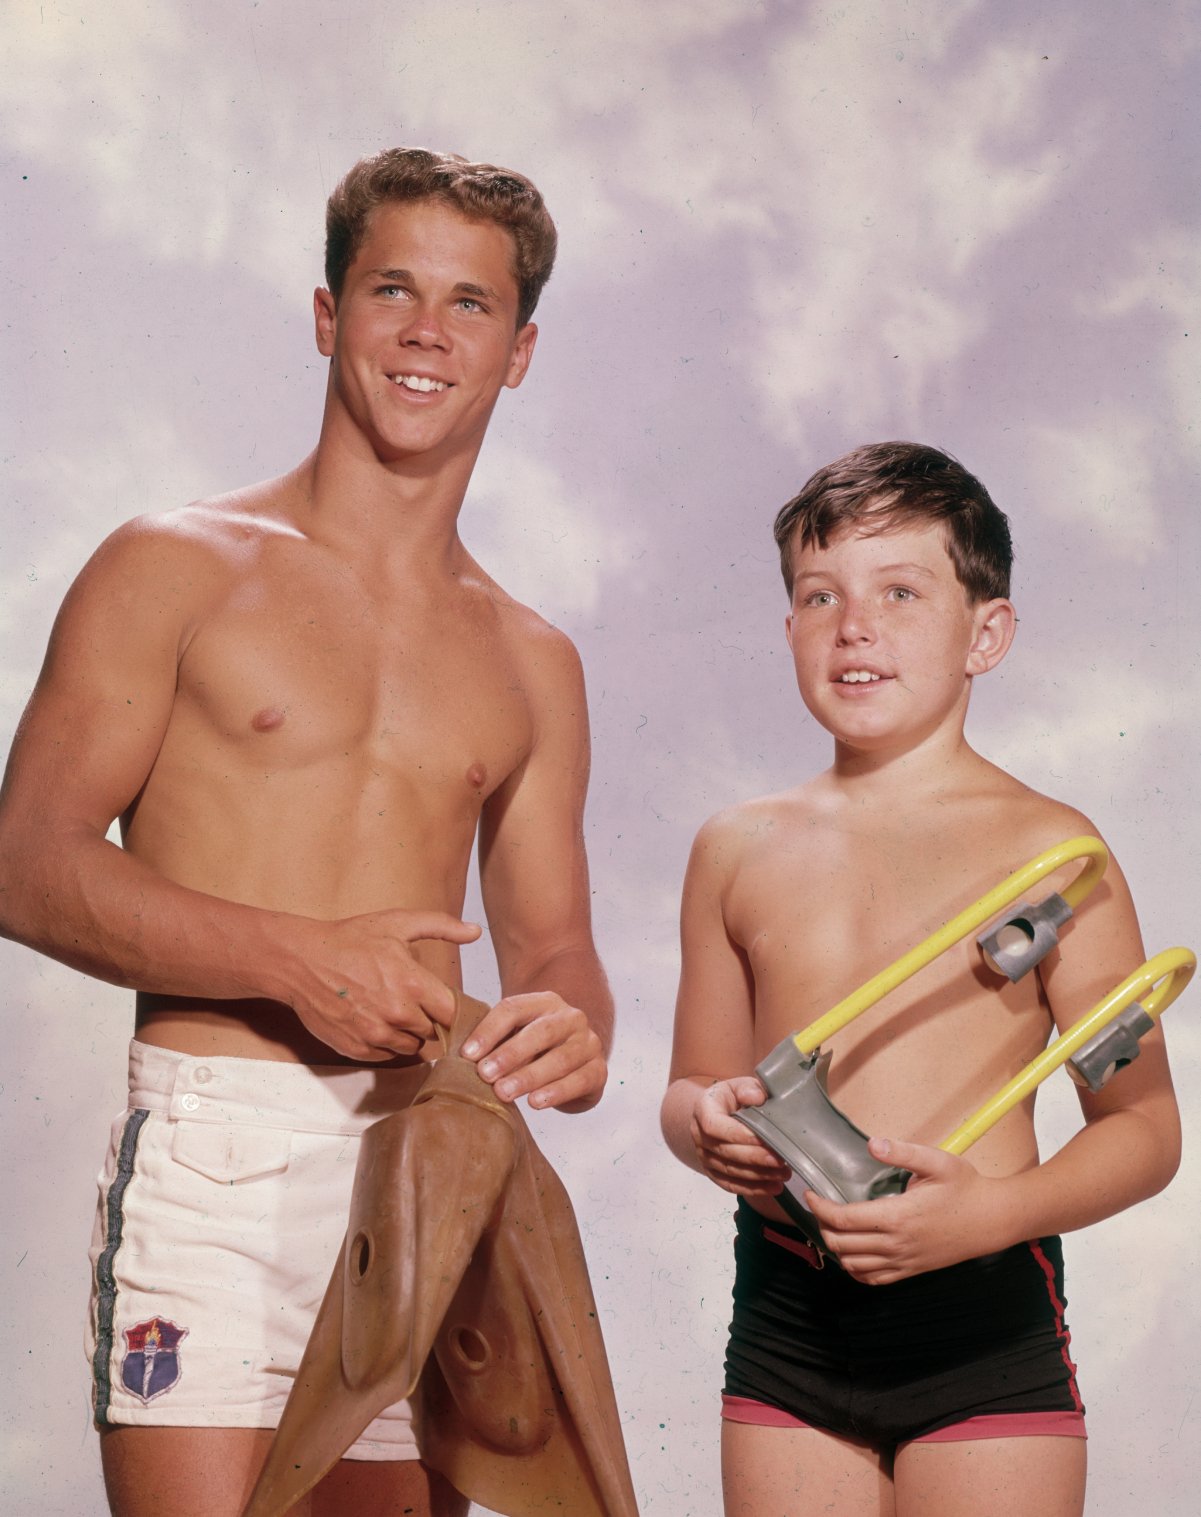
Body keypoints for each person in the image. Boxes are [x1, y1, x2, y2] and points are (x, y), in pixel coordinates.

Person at [0, 147, 614, 1517]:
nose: (426, 331)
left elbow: (556, 948)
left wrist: (570, 1027)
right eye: (393, 289)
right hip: (212, 1160)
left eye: (469, 303)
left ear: (517, 353)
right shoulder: (174, 563)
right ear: (329, 314)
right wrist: (296, 961)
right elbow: (26, 862)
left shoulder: (534, 659)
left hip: (419, 1169)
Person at [660, 441, 1181, 1517]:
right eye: (821, 595)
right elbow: (691, 1084)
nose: (854, 625)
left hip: (982, 1327)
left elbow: (1143, 1128)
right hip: (786, 1326)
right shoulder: (733, 849)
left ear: (984, 633)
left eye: (900, 591)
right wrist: (700, 1122)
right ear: (790, 627)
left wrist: (989, 1215)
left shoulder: (1055, 857)